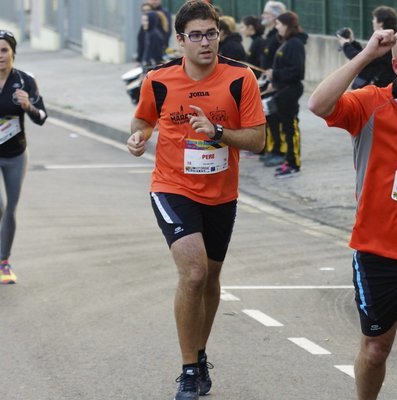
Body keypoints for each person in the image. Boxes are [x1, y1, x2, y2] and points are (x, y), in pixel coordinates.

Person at [127, 1, 265, 398]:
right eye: (197, 35)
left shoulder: (240, 78)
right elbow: (143, 120)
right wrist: (139, 136)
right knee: (194, 273)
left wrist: (217, 133)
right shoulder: (158, 79)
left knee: (211, 278)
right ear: (180, 39)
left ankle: (200, 354)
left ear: (219, 35)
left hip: (221, 193)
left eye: (211, 34)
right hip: (172, 187)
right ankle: (189, 369)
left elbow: (258, 140)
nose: (205, 42)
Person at [308, 28, 397, 400]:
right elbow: (318, 104)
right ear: (396, 65)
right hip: (379, 251)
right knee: (376, 349)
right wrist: (365, 55)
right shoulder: (371, 103)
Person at [0, 30, 47, 284]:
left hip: (16, 155)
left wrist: (28, 106)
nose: (0, 55)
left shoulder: (25, 80)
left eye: (4, 50)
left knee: (10, 209)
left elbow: (42, 117)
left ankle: (3, 262)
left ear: (13, 53)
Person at [264, 11, 307, 178]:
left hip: (290, 91)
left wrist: (275, 74)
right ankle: (288, 160)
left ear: (287, 26)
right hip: (282, 90)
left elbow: (297, 71)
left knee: (291, 128)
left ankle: (293, 164)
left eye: (279, 24)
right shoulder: (287, 42)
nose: (277, 27)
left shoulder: (295, 44)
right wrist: (273, 80)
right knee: (285, 128)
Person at [337, 6, 397, 89]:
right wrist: (353, 42)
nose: (372, 21)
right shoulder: (392, 37)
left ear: (381, 22)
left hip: (378, 87)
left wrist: (345, 44)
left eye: (374, 19)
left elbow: (362, 59)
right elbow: (366, 54)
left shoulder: (387, 40)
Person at [259, 0, 287, 166]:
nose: (263, 16)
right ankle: (273, 148)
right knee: (269, 117)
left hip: (276, 84)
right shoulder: (269, 35)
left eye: (267, 13)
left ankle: (280, 151)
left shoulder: (278, 37)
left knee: (278, 118)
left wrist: (275, 79)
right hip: (267, 81)